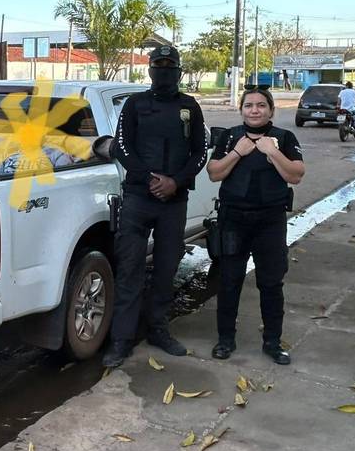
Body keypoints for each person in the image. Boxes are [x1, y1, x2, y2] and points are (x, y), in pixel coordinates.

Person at [102, 45, 207, 369]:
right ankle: (121, 340)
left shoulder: (189, 106)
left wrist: (175, 181)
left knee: (166, 269)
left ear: (178, 71)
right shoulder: (135, 104)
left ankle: (158, 329)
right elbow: (121, 147)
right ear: (149, 70)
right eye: (157, 66)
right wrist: (150, 178)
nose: (163, 71)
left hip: (173, 202)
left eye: (169, 66)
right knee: (130, 269)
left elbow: (200, 152)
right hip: (138, 198)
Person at [207, 87, 305, 364]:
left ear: (271, 110)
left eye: (261, 105)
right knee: (229, 281)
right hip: (233, 220)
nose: (255, 110)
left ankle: (272, 342)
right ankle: (225, 340)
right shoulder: (230, 137)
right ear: (241, 110)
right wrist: (238, 152)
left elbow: (296, 175)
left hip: (270, 221)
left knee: (271, 283)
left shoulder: (284, 138)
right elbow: (214, 173)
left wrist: (272, 152)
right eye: (249, 105)